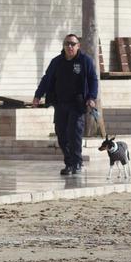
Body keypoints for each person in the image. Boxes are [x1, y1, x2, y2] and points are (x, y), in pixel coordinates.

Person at [33, 34, 99, 175]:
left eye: (73, 44)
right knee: (61, 135)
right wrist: (38, 95)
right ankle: (69, 163)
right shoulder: (57, 62)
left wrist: (92, 97)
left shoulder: (84, 61)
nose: (70, 46)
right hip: (60, 104)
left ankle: (77, 163)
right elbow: (46, 79)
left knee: (74, 134)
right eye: (67, 43)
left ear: (78, 46)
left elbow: (93, 80)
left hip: (77, 104)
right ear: (63, 45)